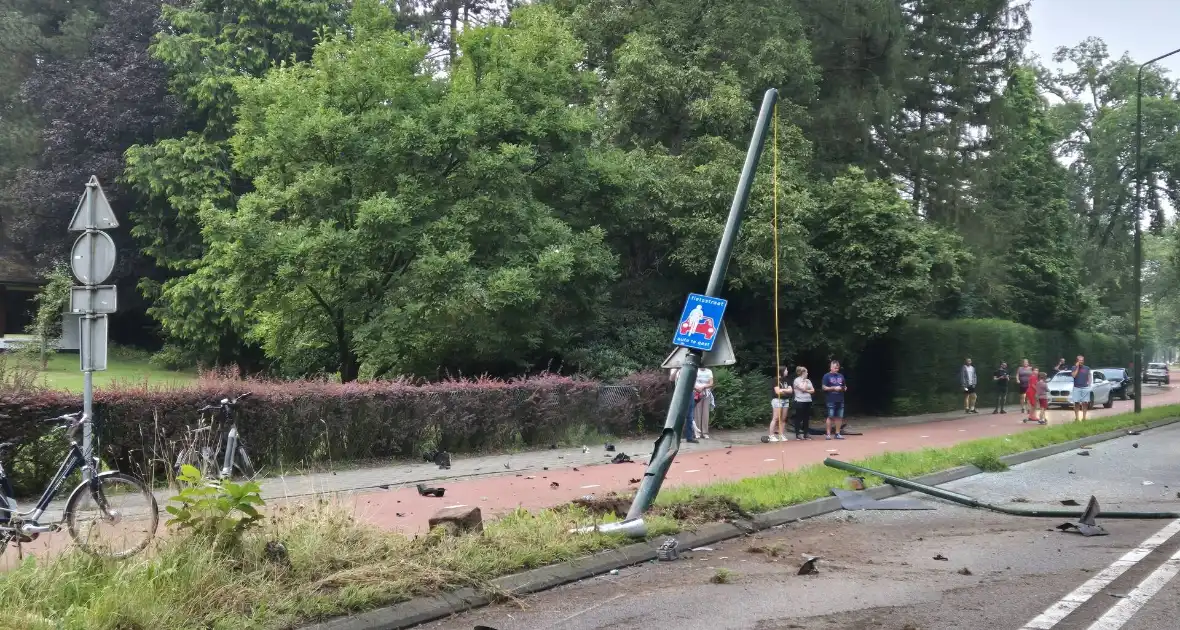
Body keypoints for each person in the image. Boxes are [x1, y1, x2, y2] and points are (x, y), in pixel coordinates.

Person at [822, 360, 848, 440]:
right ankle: (828, 434)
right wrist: (834, 388)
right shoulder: (826, 376)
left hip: (840, 399)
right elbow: (824, 387)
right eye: (835, 368)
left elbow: (844, 386)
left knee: (839, 417)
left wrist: (844, 388)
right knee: (830, 416)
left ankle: (837, 433)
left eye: (838, 368)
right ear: (831, 367)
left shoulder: (841, 376)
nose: (837, 369)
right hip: (831, 399)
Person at [768, 367, 792, 442]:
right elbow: (777, 392)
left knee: (783, 419)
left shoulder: (787, 380)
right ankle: (771, 435)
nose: (787, 371)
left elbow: (791, 391)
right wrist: (785, 390)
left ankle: (781, 434)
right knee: (776, 418)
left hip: (786, 400)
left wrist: (783, 390)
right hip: (777, 400)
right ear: (782, 371)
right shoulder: (775, 380)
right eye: (786, 370)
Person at [792, 366, 815, 440]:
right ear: (803, 373)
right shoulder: (797, 380)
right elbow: (803, 388)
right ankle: (798, 434)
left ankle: (806, 433)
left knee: (806, 418)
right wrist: (804, 382)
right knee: (798, 418)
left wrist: (807, 390)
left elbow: (813, 390)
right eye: (806, 372)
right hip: (799, 401)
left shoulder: (809, 380)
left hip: (808, 400)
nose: (807, 373)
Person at [692, 367, 714, 439]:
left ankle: (705, 433)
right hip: (697, 393)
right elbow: (692, 382)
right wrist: (696, 388)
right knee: (697, 413)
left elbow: (711, 383)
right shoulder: (695, 370)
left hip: (706, 393)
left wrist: (704, 386)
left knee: (705, 413)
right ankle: (697, 432)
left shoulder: (709, 371)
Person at [1070, 355, 1092, 423]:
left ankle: (1084, 418)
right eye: (1080, 360)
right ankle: (1077, 418)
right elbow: (1074, 375)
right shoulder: (1074, 367)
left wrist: (1089, 384)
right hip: (1077, 387)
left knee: (1085, 403)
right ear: (1077, 361)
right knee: (1076, 403)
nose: (1081, 362)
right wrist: (1077, 367)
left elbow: (1089, 376)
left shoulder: (1087, 368)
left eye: (1082, 360)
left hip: (1085, 387)